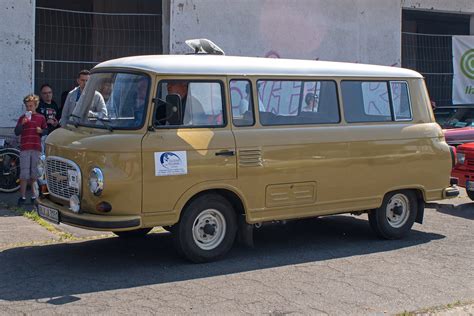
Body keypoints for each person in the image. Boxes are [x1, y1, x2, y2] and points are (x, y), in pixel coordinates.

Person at [14, 94, 47, 206]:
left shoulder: (41, 118)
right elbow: (16, 132)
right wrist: (22, 124)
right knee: (24, 174)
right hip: (25, 148)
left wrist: (41, 131)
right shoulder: (22, 118)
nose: (29, 108)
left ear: (36, 106)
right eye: (27, 106)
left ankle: (34, 196)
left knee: (34, 173)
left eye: (31, 106)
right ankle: (22, 197)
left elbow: (45, 130)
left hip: (36, 148)